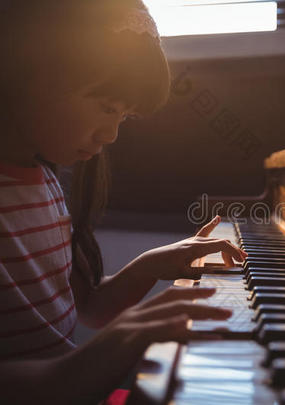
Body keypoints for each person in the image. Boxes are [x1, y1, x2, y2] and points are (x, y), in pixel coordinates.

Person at [0, 1, 247, 403]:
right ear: (31, 68)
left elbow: (89, 307)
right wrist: (96, 355)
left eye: (124, 116)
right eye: (108, 107)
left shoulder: (45, 181)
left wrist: (153, 263)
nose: (112, 134)